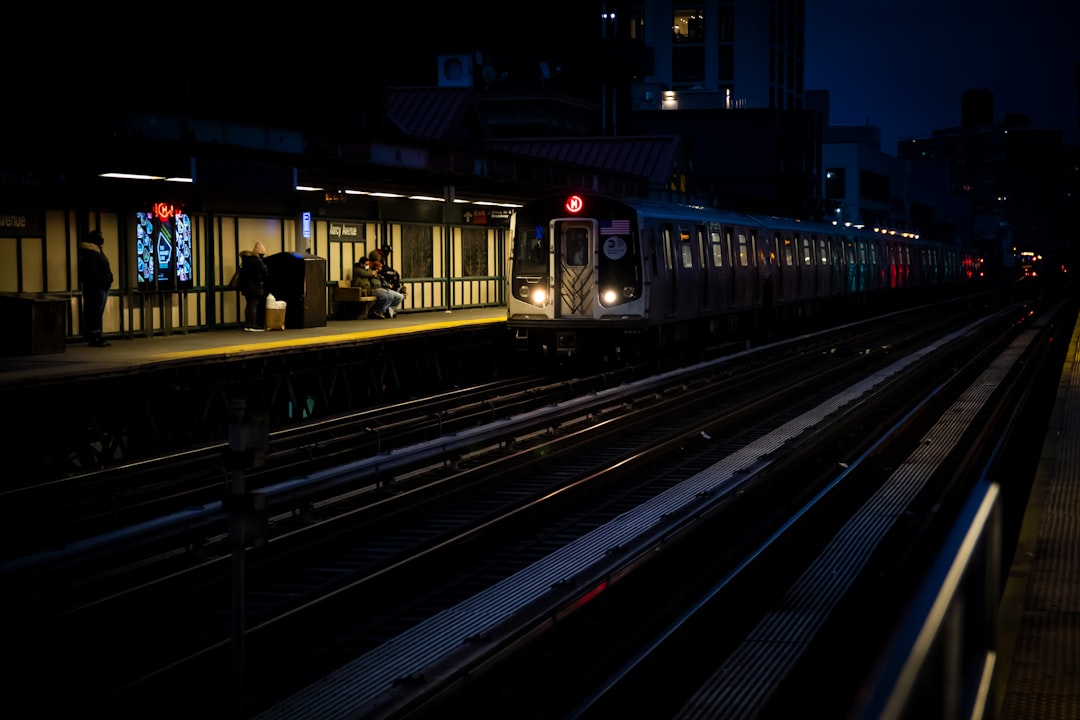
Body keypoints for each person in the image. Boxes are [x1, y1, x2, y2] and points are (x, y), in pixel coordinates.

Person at [78, 229, 114, 347]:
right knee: (95, 313)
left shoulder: (95, 252)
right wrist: (104, 281)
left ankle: (96, 335)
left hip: (100, 287)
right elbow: (91, 273)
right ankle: (94, 336)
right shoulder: (91, 253)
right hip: (96, 288)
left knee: (96, 313)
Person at [238, 241, 269, 331]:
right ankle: (253, 324)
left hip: (246, 286)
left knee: (249, 304)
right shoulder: (257, 260)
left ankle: (248, 324)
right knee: (254, 305)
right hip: (255, 285)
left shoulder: (246, 260)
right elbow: (265, 270)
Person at [369, 247, 406, 317]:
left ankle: (389, 310)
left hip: (384, 287)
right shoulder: (372, 272)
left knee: (400, 296)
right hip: (379, 288)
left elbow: (383, 279)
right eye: (379, 267)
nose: (380, 268)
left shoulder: (379, 273)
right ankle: (380, 311)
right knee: (390, 296)